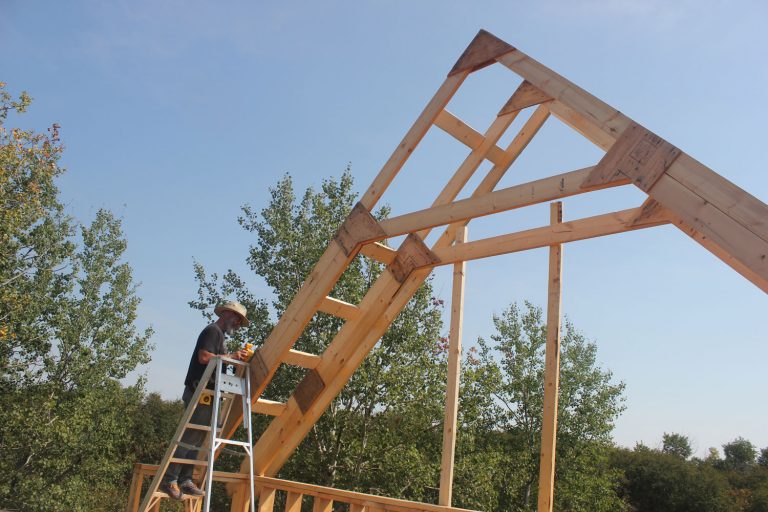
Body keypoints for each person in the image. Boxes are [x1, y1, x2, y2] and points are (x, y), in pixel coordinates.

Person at [160, 301, 251, 500]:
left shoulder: (220, 335)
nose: (237, 323)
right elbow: (204, 357)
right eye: (236, 318)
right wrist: (231, 356)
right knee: (191, 436)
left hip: (208, 393)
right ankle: (169, 479)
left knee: (199, 438)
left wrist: (233, 360)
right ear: (226, 314)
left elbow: (217, 360)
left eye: (239, 321)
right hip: (199, 391)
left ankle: (185, 479)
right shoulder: (213, 331)